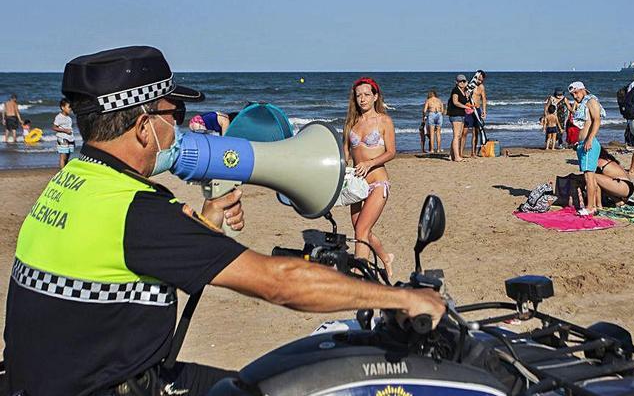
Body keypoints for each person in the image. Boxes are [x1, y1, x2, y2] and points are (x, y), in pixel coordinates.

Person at [2, 46, 444, 396]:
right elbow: (280, 282)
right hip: (115, 386)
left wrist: (205, 225)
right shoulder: (138, 210)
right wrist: (400, 300)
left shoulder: (69, 185)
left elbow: (121, 270)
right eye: (171, 116)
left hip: (47, 379)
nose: (177, 129)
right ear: (143, 127)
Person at [343, 77, 397, 276]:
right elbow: (346, 153)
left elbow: (391, 152)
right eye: (358, 95)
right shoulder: (351, 123)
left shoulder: (384, 121)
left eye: (367, 95)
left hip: (377, 183)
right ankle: (385, 257)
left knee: (361, 231)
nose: (362, 99)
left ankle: (359, 275)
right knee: (361, 229)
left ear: (375, 97)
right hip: (356, 185)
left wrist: (369, 163)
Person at [568, 81, 602, 215]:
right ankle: (594, 205)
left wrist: (589, 139)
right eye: (572, 95)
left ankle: (590, 207)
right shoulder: (583, 104)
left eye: (576, 93)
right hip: (582, 144)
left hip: (589, 143)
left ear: (582, 89)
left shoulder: (591, 101)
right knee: (589, 176)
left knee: (589, 177)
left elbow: (597, 120)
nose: (575, 96)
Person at [447, 74, 469, 162]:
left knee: (458, 136)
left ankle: (451, 155)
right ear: (456, 82)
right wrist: (466, 107)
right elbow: (455, 102)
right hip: (455, 115)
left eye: (464, 81)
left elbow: (464, 101)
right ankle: (456, 157)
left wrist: (467, 96)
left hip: (461, 115)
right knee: (456, 136)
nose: (462, 83)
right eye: (460, 81)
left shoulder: (464, 91)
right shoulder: (455, 90)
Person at [52, 98, 75, 168]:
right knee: (63, 156)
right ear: (62, 107)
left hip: (70, 138)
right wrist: (65, 130)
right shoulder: (59, 117)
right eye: (69, 107)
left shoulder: (69, 118)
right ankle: (62, 171)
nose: (70, 109)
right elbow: (54, 127)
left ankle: (65, 169)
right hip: (62, 138)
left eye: (71, 107)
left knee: (68, 155)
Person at [468, 70, 487, 156]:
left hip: (478, 110)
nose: (480, 81)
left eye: (482, 80)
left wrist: (484, 111)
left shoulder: (482, 87)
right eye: (479, 79)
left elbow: (483, 99)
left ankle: (473, 153)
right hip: (469, 109)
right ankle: (459, 152)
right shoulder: (470, 85)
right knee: (464, 132)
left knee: (475, 132)